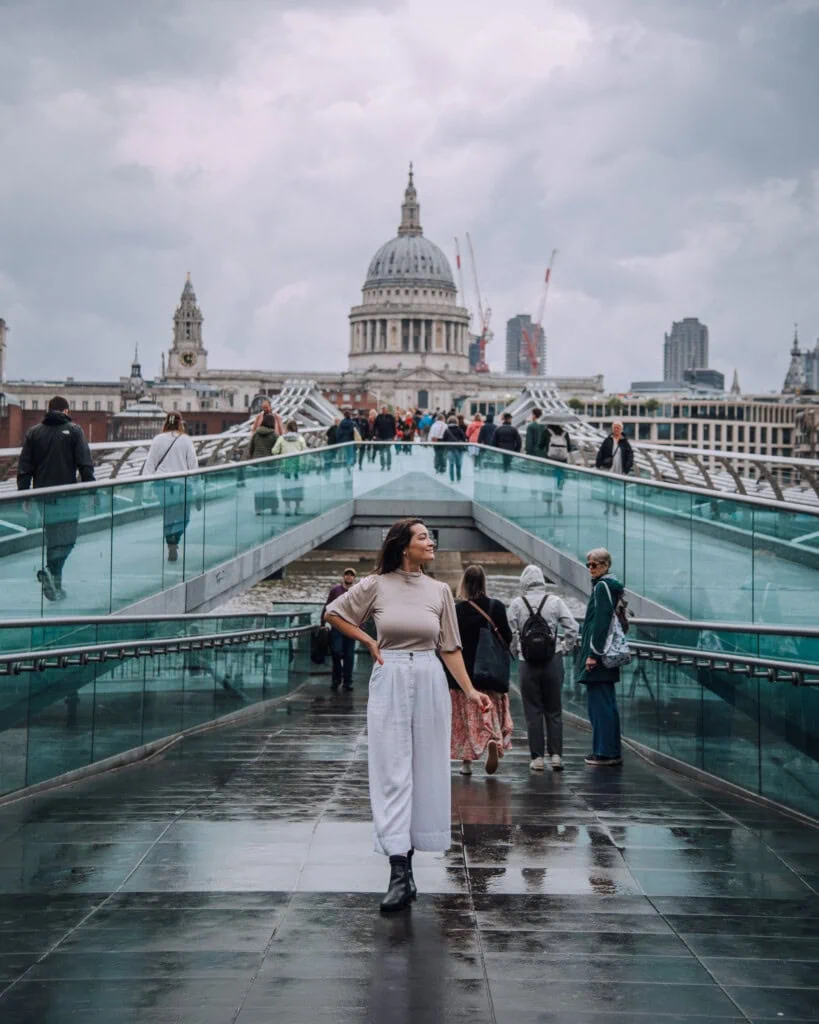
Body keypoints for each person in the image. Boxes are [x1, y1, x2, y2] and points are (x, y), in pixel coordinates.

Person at [325, 518, 492, 913]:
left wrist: (469, 690)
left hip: (431, 679)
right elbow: (333, 612)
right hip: (391, 673)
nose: (431, 542)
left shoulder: (439, 591)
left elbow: (450, 647)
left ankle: (409, 865)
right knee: (392, 769)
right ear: (404, 546)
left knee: (426, 770)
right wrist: (367, 639)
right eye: (423, 537)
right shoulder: (375, 584)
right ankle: (398, 871)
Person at [17, 395, 96, 601]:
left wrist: (24, 493)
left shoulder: (34, 432)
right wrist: (91, 491)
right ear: (66, 411)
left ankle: (56, 586)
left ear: (48, 409)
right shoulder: (75, 431)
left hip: (43, 496)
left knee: (53, 538)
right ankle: (52, 573)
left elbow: (25, 466)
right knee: (68, 539)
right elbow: (85, 463)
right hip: (68, 496)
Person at [508, 565, 579, 772]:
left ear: (524, 582)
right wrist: (564, 647)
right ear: (542, 580)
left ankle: (537, 758)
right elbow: (572, 627)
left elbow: (509, 632)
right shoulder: (555, 601)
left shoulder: (517, 604)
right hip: (552, 660)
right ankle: (556, 755)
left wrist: (517, 651)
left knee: (533, 710)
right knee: (554, 710)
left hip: (527, 662)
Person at [446, 565, 514, 776]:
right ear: (484, 583)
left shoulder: (457, 610)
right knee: (488, 709)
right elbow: (508, 637)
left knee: (464, 718)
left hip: (462, 675)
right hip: (489, 672)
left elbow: (449, 643)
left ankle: (466, 763)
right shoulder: (497, 607)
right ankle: (491, 739)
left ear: (464, 584)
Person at [576, 548, 624, 767]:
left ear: (606, 565)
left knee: (599, 705)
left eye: (594, 564)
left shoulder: (602, 587)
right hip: (607, 655)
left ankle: (604, 752)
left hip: (599, 656)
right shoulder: (609, 587)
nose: (590, 569)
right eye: (588, 565)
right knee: (607, 702)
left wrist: (593, 654)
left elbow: (601, 622)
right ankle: (611, 749)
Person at [143, 411, 200, 563]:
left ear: (166, 422)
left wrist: (145, 489)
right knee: (184, 518)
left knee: (168, 516)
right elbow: (194, 466)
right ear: (180, 423)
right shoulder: (186, 440)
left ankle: (170, 543)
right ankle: (175, 538)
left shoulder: (157, 439)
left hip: (161, 484)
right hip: (183, 485)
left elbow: (149, 465)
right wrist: (198, 491)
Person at [322, 567, 358, 691]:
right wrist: (323, 622)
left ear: (354, 578)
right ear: (343, 576)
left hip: (351, 627)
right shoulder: (335, 590)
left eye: (351, 575)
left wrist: (361, 627)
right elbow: (327, 605)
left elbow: (361, 609)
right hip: (336, 627)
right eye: (347, 574)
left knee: (349, 656)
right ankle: (336, 679)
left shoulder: (357, 591)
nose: (349, 577)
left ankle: (348, 682)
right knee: (336, 652)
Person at [595, 421, 633, 515]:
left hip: (619, 469)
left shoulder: (624, 442)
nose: (616, 429)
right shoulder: (608, 440)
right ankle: (607, 508)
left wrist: (627, 467)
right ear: (612, 429)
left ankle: (615, 508)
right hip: (608, 468)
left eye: (618, 428)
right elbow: (601, 452)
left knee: (617, 491)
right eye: (615, 427)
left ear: (621, 429)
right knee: (608, 489)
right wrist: (598, 464)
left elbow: (630, 455)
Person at [272, 419, 307, 515]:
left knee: (286, 487)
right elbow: (305, 451)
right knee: (297, 487)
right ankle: (297, 506)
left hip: (285, 466)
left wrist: (281, 453)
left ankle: (287, 506)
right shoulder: (300, 439)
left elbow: (274, 451)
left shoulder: (281, 438)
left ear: (286, 428)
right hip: (297, 467)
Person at [248, 414, 280, 516]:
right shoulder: (274, 435)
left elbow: (251, 449)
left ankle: (258, 509)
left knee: (258, 487)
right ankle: (273, 508)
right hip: (271, 464)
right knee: (271, 486)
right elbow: (278, 450)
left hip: (258, 464)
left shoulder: (256, 434)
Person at [442, 416, 467, 482]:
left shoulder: (447, 430)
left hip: (450, 449)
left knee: (451, 464)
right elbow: (464, 439)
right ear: (456, 422)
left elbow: (443, 440)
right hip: (459, 449)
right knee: (458, 464)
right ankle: (458, 478)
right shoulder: (459, 429)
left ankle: (452, 479)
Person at [374, 405, 396, 471]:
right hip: (380, 437)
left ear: (387, 410)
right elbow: (375, 427)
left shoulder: (391, 417)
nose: (384, 410)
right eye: (383, 409)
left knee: (388, 451)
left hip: (388, 437)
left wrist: (393, 436)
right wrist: (375, 435)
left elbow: (393, 427)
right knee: (381, 452)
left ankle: (389, 465)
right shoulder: (378, 417)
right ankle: (382, 465)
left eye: (385, 409)